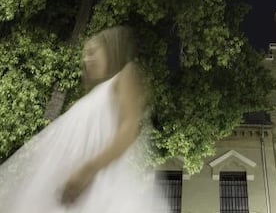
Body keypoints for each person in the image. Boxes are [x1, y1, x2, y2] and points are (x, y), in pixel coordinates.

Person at [0, 26, 170, 212]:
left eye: (92, 52)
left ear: (111, 50)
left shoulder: (125, 75)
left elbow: (128, 129)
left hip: (100, 189)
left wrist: (86, 171)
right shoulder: (92, 96)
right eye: (84, 55)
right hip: (77, 192)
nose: (86, 59)